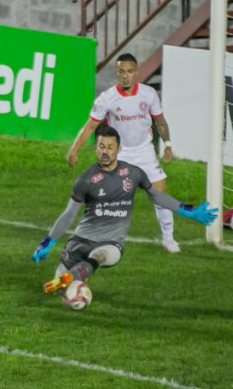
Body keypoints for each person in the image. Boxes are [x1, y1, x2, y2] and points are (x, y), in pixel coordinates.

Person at [32, 126, 216, 294]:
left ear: (119, 149)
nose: (105, 151)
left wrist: (188, 211)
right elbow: (69, 214)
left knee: (98, 256)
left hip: (111, 243)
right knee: (59, 291)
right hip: (81, 239)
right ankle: (70, 284)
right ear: (95, 148)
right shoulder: (85, 180)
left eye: (110, 147)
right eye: (101, 146)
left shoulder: (134, 173)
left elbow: (157, 196)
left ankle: (73, 279)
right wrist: (47, 242)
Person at [66, 52, 182, 252]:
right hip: (119, 154)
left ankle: (169, 239)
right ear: (117, 73)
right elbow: (90, 126)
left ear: (136, 72)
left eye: (130, 71)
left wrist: (168, 144)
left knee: (160, 195)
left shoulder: (148, 94)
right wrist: (74, 149)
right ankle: (97, 235)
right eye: (122, 72)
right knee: (107, 198)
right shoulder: (107, 99)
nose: (126, 75)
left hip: (145, 152)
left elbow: (160, 121)